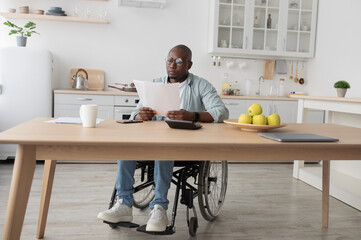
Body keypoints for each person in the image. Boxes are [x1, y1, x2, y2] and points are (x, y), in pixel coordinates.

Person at [97, 45, 229, 232]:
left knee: (165, 147)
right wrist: (139, 115)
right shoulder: (155, 84)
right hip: (153, 141)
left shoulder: (201, 85)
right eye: (169, 60)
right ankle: (124, 204)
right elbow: (135, 113)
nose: (172, 65)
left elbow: (221, 112)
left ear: (189, 64)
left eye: (179, 61)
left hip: (184, 145)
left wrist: (192, 116)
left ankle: (159, 208)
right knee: (126, 145)